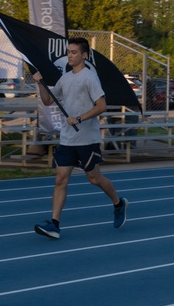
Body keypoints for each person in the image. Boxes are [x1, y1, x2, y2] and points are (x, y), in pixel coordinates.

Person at [32, 37, 126, 239]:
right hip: (67, 140)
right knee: (60, 180)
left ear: (84, 55)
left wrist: (80, 118)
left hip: (87, 139)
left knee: (94, 178)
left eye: (74, 52)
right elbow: (48, 100)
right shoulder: (65, 78)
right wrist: (40, 83)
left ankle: (119, 203)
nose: (70, 55)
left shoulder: (89, 78)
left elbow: (101, 106)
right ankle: (54, 224)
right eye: (69, 52)